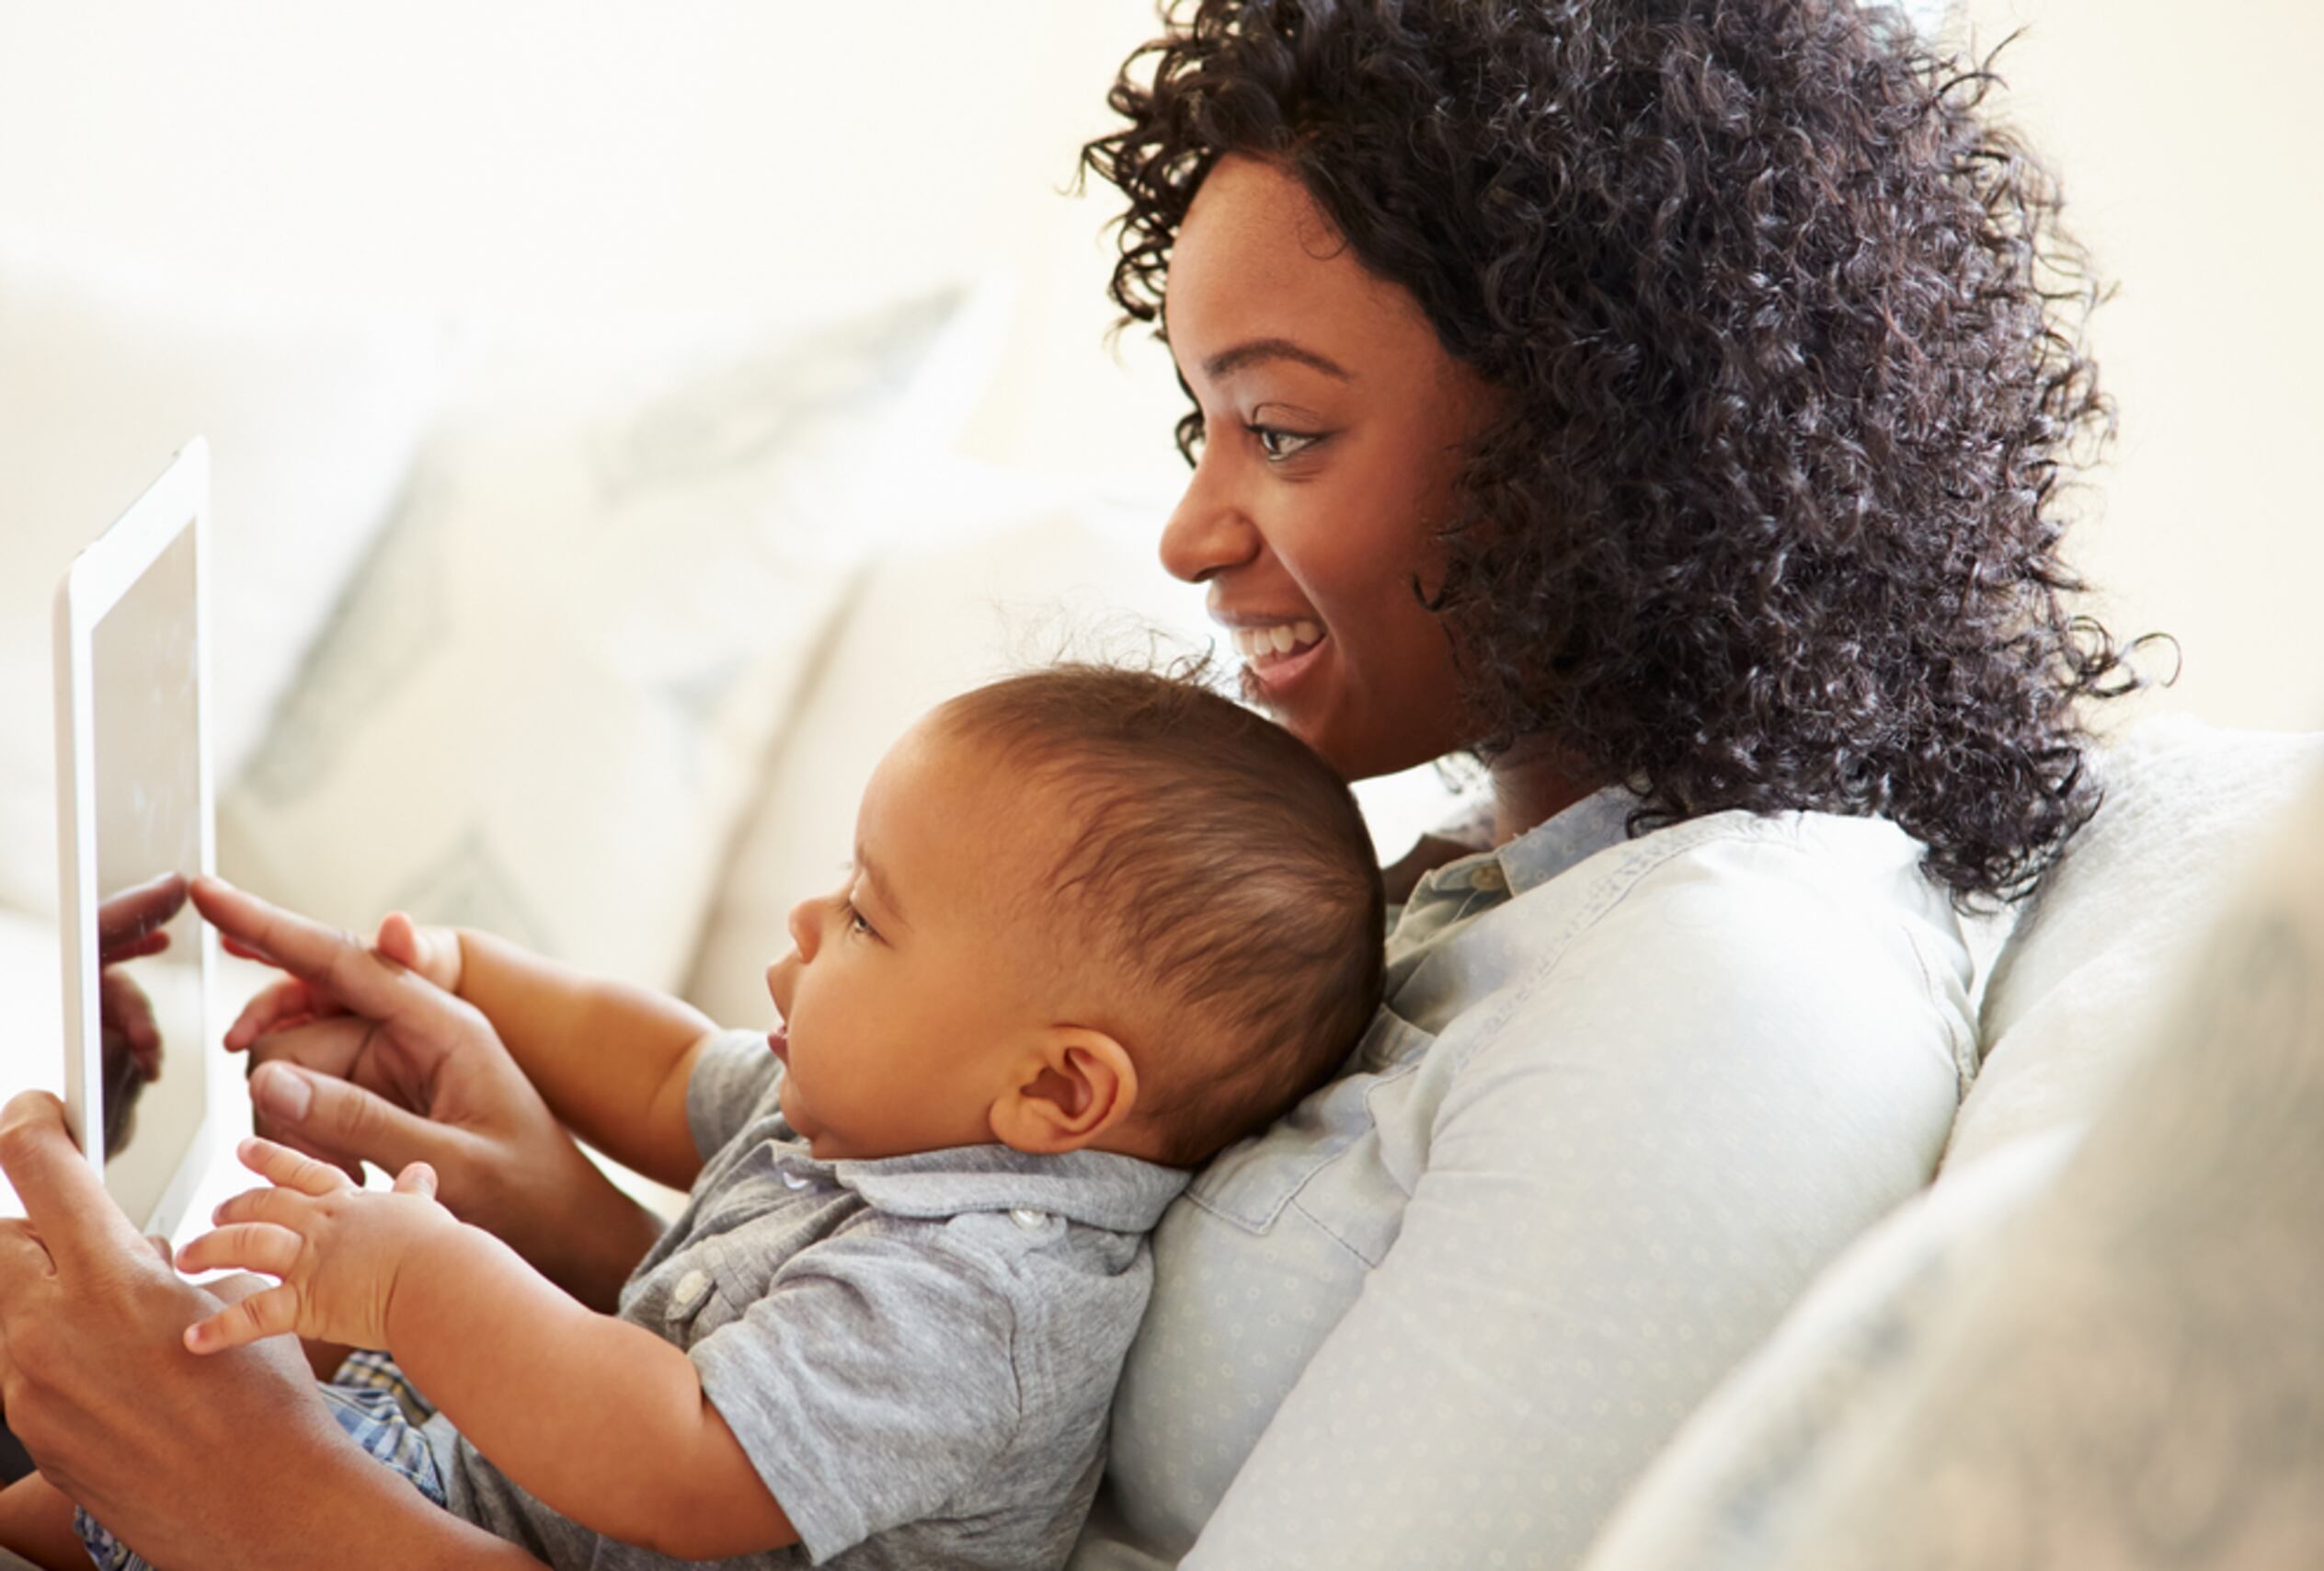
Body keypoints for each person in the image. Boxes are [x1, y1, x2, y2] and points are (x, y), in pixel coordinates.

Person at [0, 2, 2140, 1565]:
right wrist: (537, 1203)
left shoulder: (1725, 1010)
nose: (1191, 534)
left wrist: (249, 1488)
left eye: (1280, 433)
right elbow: (853, 1379)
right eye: (1202, 426)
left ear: (1608, 443)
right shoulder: (1492, 887)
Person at [0, 667, 1384, 1571]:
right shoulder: (886, 1120)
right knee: (95, 1361)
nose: (807, 918)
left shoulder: (988, 1303)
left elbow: (685, 1461)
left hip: (455, 1520)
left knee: (90, 1379)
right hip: (451, 1484)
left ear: (1056, 1091)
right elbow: (662, 1069)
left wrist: (422, 1282)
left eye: (864, 913)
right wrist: (463, 975)